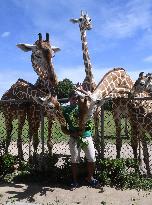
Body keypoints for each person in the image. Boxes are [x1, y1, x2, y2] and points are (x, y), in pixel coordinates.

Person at [61, 90, 99, 189]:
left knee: (91, 157)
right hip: (74, 138)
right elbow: (63, 128)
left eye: (77, 98)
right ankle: (75, 181)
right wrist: (72, 133)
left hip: (86, 136)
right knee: (74, 160)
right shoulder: (65, 111)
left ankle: (90, 177)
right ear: (69, 99)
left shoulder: (84, 107)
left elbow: (90, 117)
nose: (76, 100)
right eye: (73, 98)